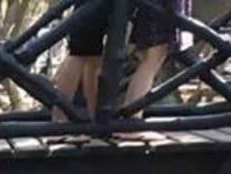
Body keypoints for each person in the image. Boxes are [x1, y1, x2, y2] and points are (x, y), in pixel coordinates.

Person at [51, 0, 187, 125]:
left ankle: (94, 120)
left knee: (91, 57)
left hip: (100, 7)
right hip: (92, 5)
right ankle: (59, 120)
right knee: (79, 55)